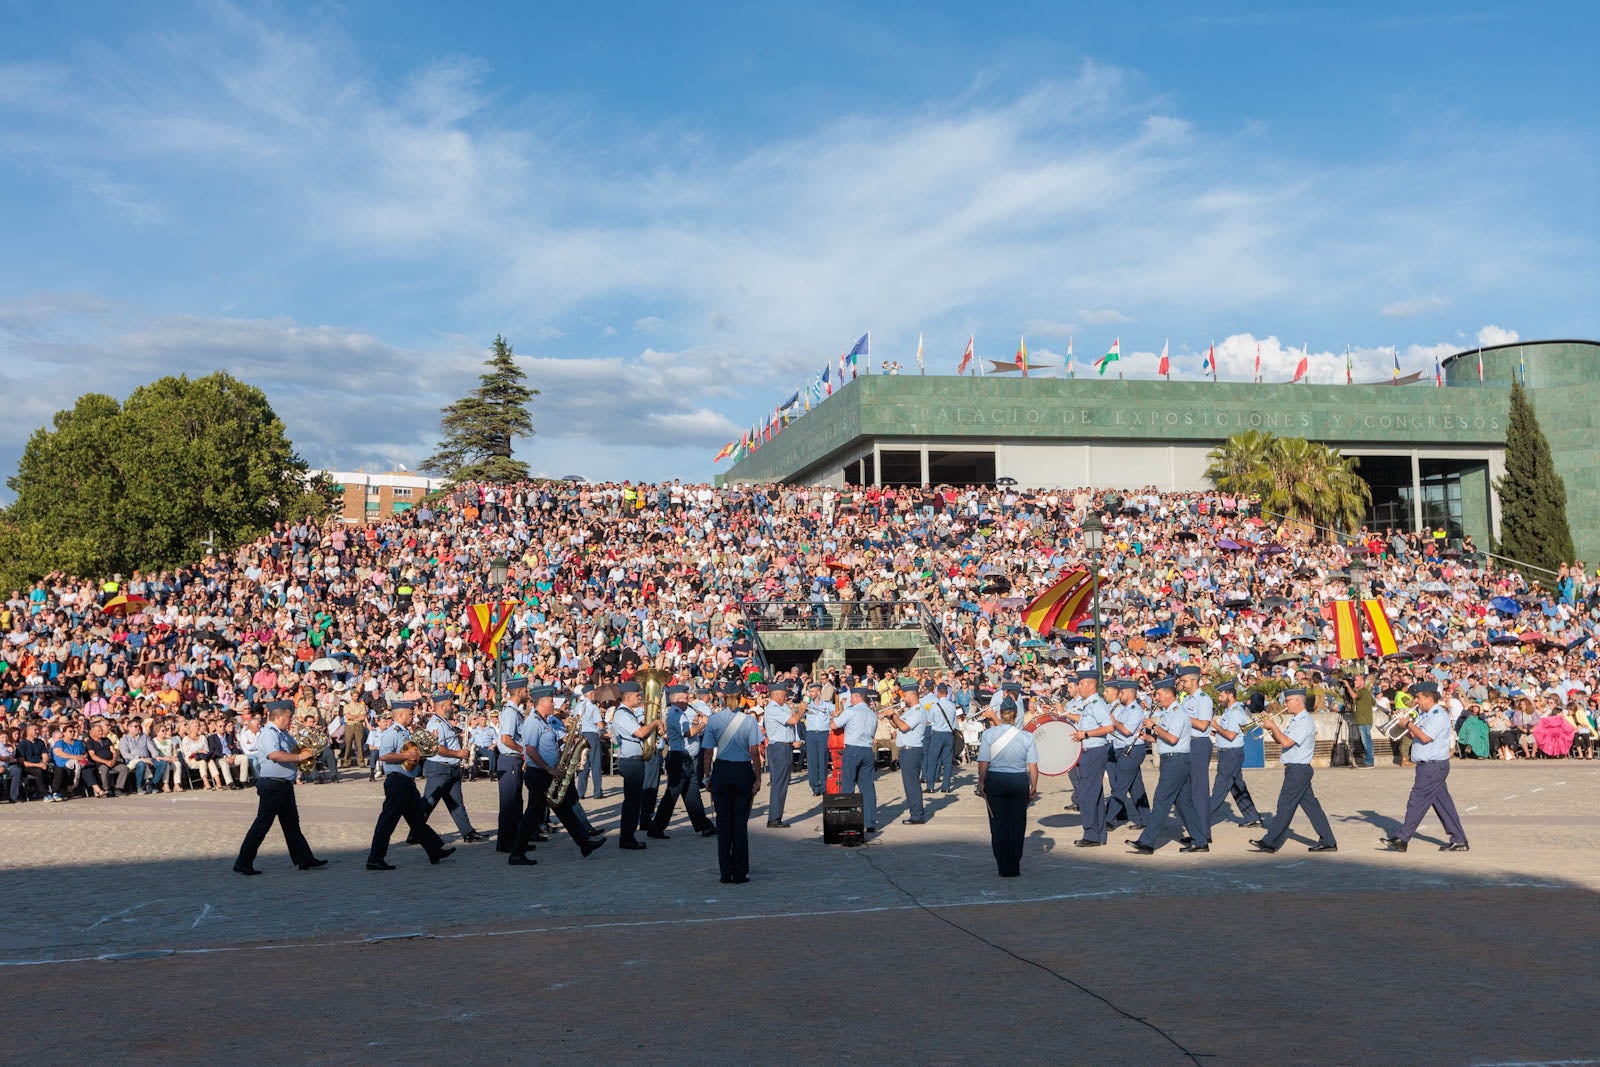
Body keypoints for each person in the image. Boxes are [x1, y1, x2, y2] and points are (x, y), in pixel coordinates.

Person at [507, 686, 605, 865]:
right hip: (538, 773)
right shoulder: (533, 722)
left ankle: (584, 843)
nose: (553, 704)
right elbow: (530, 750)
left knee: (564, 808)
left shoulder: (545, 721)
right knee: (533, 814)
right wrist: (548, 768)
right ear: (542, 702)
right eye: (551, 701)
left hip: (548, 772)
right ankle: (516, 853)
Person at [233, 700, 327, 875]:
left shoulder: (282, 733)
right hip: (272, 784)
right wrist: (300, 758)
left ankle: (304, 858)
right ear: (278, 716)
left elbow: (296, 748)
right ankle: (243, 862)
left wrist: (309, 750)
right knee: (262, 825)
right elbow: (275, 755)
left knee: (292, 825)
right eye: (288, 717)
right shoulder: (269, 733)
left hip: (283, 784)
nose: (290, 721)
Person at [365, 700, 455, 870]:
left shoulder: (404, 732)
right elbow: (384, 756)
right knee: (388, 821)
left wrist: (430, 743)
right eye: (410, 713)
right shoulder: (392, 732)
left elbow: (414, 752)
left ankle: (434, 849)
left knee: (417, 819)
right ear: (401, 715)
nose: (413, 716)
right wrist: (406, 756)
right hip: (397, 781)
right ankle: (375, 858)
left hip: (406, 780)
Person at [1383, 682, 1470, 852]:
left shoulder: (1438, 716)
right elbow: (1414, 733)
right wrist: (1403, 723)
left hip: (1433, 766)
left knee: (1416, 801)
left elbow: (1425, 737)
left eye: (1419, 698)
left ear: (1430, 699)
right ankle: (1459, 839)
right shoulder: (1426, 714)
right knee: (1443, 805)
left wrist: (1408, 723)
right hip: (1428, 766)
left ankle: (1402, 838)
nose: (1416, 701)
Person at [1251, 689, 1338, 854]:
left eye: (1287, 700)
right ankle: (1328, 841)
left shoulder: (1304, 721)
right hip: (1296, 768)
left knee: (1285, 805)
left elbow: (1286, 742)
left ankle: (1270, 842)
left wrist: (1273, 725)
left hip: (1298, 769)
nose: (1285, 704)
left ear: (1297, 701)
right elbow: (1280, 740)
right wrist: (1269, 727)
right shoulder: (1296, 720)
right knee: (1312, 808)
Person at [1129, 677, 1206, 854]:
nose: (1156, 697)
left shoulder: (1178, 712)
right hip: (1171, 759)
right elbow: (1163, 738)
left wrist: (1154, 727)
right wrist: (1147, 737)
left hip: (1177, 760)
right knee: (1184, 802)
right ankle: (1200, 840)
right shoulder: (1167, 713)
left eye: (1158, 694)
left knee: (1161, 800)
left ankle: (1147, 841)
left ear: (1168, 694)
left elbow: (1172, 738)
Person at [702, 679, 763, 883]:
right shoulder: (750, 721)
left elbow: (708, 753)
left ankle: (724, 872)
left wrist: (707, 776)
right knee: (740, 824)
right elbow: (755, 752)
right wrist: (758, 778)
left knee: (723, 824)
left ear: (723, 697)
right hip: (742, 771)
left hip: (721, 771)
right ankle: (740, 872)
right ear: (740, 697)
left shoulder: (714, 720)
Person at [976, 697, 1038, 877]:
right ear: (1016, 715)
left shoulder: (989, 734)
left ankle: (1003, 866)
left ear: (1001, 715)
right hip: (1019, 779)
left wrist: (981, 782)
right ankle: (1015, 865)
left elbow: (983, 762)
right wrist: (1033, 787)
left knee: (998, 824)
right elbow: (1033, 766)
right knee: (1017, 825)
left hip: (996, 779)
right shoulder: (1027, 736)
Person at [416, 690, 484, 844]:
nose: (453, 707)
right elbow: (437, 748)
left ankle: (468, 832)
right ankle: (415, 831)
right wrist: (458, 753)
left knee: (456, 802)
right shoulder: (436, 723)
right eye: (450, 705)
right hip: (440, 768)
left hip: (450, 768)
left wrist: (460, 737)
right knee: (428, 802)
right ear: (442, 707)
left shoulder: (444, 722)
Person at [650, 684, 715, 837]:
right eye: (686, 698)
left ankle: (704, 826)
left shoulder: (681, 713)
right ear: (679, 699)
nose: (689, 700)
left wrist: (696, 722)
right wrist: (703, 723)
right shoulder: (675, 714)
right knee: (672, 795)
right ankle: (656, 828)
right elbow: (688, 732)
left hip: (685, 758)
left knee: (692, 794)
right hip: (679, 759)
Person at [612, 680, 664, 850]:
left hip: (635, 760)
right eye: (637, 695)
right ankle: (627, 837)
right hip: (631, 761)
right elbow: (640, 733)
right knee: (632, 802)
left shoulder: (628, 713)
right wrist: (654, 723)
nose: (640, 697)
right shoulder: (623, 714)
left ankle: (628, 836)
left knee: (634, 801)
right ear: (628, 697)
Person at [1064, 670, 1114, 846]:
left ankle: (1091, 834)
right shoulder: (1089, 703)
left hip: (1093, 751)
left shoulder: (1096, 703)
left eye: (1081, 684)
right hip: (1090, 751)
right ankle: (1098, 834)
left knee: (1086, 795)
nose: (1079, 687)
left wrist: (1085, 733)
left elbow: (1108, 727)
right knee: (1095, 794)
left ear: (1090, 685)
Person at [1207, 680, 1262, 830]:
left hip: (1230, 754)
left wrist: (1216, 726)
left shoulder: (1236, 712)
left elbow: (1231, 735)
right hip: (1229, 753)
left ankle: (1201, 819)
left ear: (1230, 695)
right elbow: (1226, 732)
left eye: (1221, 695)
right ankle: (1253, 817)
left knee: (1219, 789)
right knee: (1237, 787)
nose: (1219, 698)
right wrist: (1214, 731)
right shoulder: (1229, 711)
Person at [832, 686, 880, 833]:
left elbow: (834, 725)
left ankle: (849, 821)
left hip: (853, 749)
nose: (850, 700)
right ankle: (870, 822)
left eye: (852, 697)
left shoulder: (851, 711)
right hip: (867, 751)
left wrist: (836, 714)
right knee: (867, 788)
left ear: (857, 697)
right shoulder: (873, 715)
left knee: (848, 787)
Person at [882, 678, 928, 825]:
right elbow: (897, 726)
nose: (904, 698)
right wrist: (890, 716)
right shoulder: (909, 711)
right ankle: (915, 813)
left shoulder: (918, 711)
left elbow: (904, 727)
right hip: (906, 750)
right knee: (909, 784)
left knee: (912, 784)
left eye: (905, 695)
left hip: (912, 750)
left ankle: (917, 815)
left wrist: (894, 715)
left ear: (912, 695)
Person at [1105, 678, 1150, 829]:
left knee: (1120, 786)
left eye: (1122, 692)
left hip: (1131, 750)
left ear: (1130, 694)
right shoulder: (1124, 709)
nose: (1120, 695)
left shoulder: (1135, 710)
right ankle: (1146, 819)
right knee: (1136, 788)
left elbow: (1126, 731)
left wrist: (1114, 721)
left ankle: (1108, 819)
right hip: (1122, 750)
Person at [1177, 665, 1214, 844]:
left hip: (1199, 744)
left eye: (1184, 681)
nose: (1182, 684)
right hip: (1187, 744)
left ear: (1194, 680)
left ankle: (1203, 833)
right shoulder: (1185, 700)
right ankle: (1196, 831)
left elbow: (1202, 725)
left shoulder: (1203, 699)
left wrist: (1183, 717)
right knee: (1189, 790)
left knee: (1199, 791)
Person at [495, 677, 530, 853]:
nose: (527, 692)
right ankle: (505, 842)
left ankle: (517, 840)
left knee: (516, 802)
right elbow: (506, 739)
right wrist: (522, 750)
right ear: (518, 691)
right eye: (525, 689)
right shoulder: (510, 712)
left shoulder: (515, 711)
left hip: (514, 760)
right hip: (510, 759)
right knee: (509, 804)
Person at [761, 682, 802, 828]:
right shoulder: (772, 708)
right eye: (785, 694)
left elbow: (791, 722)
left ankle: (777, 816)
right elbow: (793, 720)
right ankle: (774, 818)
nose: (786, 697)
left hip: (785, 746)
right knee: (779, 783)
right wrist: (802, 708)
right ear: (778, 695)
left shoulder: (781, 707)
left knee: (783, 783)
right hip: (779, 748)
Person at [923, 682, 959, 794]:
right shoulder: (952, 705)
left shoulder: (934, 706)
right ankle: (946, 786)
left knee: (932, 760)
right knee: (947, 762)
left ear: (938, 693)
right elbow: (954, 721)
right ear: (946, 693)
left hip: (937, 734)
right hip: (949, 734)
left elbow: (929, 721)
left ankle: (930, 786)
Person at [802, 679, 834, 796]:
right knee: (812, 762)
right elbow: (797, 710)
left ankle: (824, 787)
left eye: (812, 691)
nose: (810, 694)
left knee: (823, 760)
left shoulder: (827, 705)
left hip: (823, 734)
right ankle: (815, 788)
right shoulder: (807, 705)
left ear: (818, 692)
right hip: (810, 734)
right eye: (810, 692)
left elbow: (836, 712)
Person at [577, 683, 606, 799]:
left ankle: (581, 792)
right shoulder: (593, 707)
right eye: (592, 693)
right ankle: (597, 792)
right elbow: (600, 725)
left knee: (583, 764)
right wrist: (604, 725)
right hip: (592, 735)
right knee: (596, 764)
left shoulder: (578, 706)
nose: (594, 694)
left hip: (581, 735)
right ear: (587, 694)